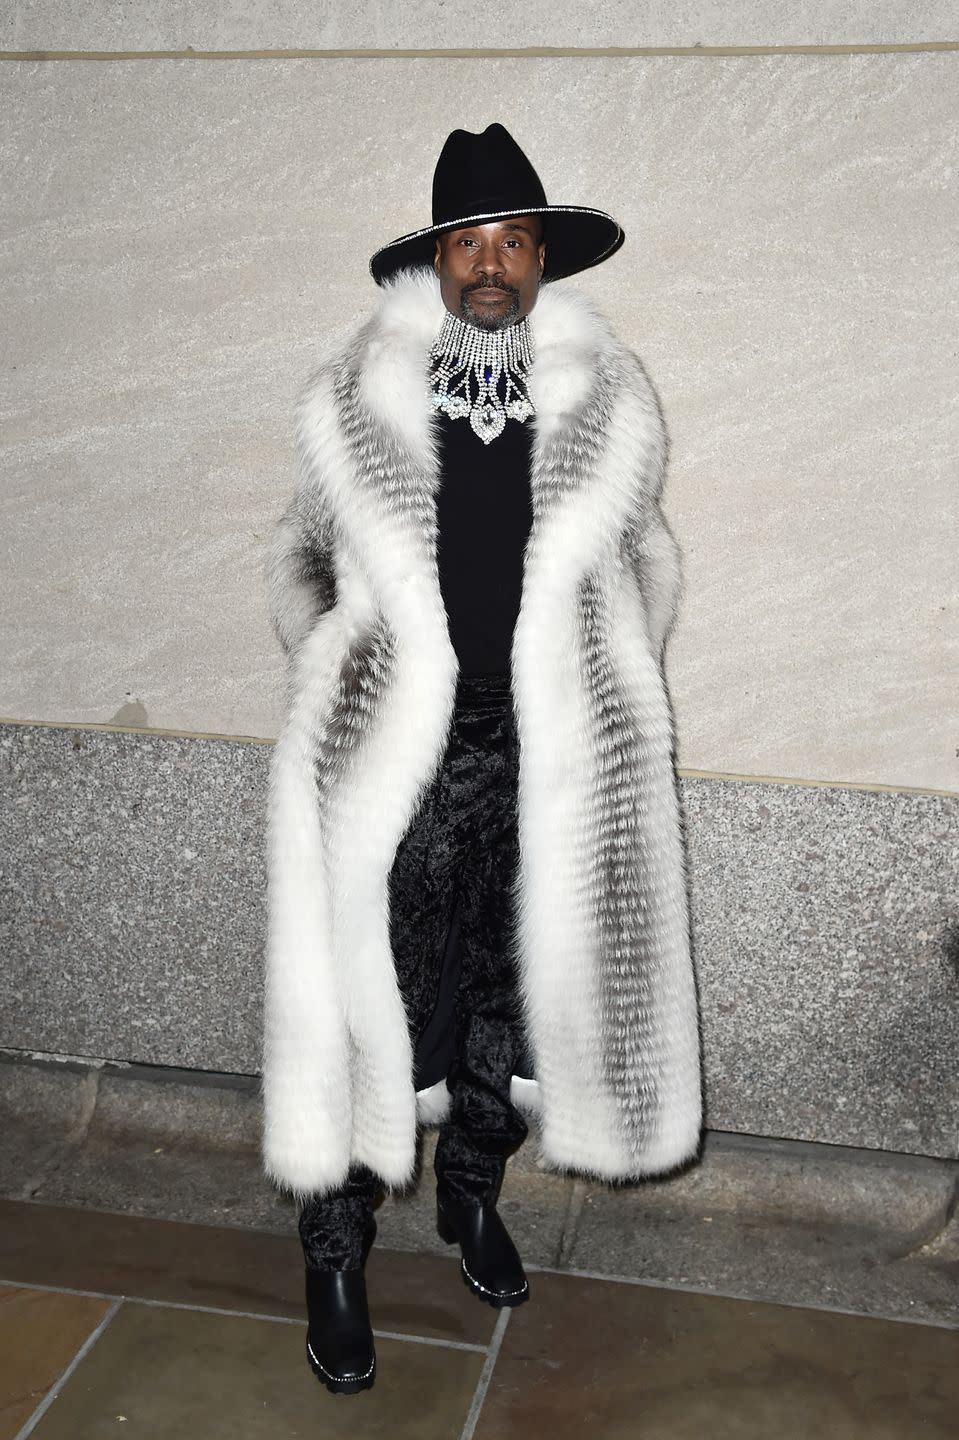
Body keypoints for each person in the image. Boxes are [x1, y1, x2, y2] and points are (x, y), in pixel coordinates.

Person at [261, 122, 702, 1396]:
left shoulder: (606, 400)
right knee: (368, 1000)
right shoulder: (363, 397)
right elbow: (295, 562)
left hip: (546, 755)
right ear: (438, 261)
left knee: (508, 997)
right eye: (470, 241)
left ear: (541, 256)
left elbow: (648, 561)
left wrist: (597, 682)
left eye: (513, 239)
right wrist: (345, 679)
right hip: (401, 762)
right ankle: (333, 1254)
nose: (492, 263)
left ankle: (469, 1198)